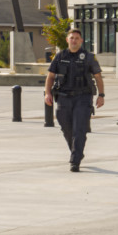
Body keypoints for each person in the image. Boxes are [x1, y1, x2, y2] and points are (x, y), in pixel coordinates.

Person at [44, 28, 105, 172]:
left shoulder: (89, 57)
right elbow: (51, 77)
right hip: (63, 97)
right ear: (67, 40)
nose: (74, 40)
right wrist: (47, 93)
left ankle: (75, 160)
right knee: (66, 128)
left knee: (79, 129)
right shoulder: (59, 57)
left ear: (81, 41)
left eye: (77, 38)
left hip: (83, 97)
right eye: (72, 38)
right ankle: (76, 150)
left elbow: (97, 77)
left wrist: (101, 95)